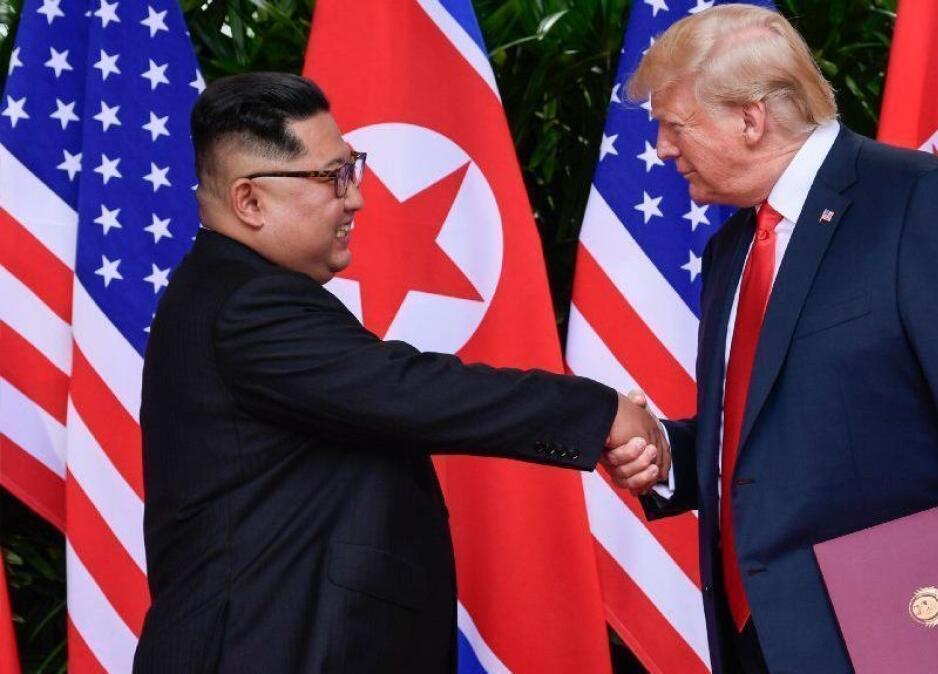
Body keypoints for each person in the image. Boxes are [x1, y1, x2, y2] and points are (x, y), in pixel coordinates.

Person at [600, 5, 938, 674]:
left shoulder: (919, 202)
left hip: (922, 639)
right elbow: (782, 430)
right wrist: (669, 456)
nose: (661, 148)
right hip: (767, 642)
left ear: (751, 117)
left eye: (676, 125)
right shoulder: (733, 247)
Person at [134, 72, 666, 673]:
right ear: (250, 200)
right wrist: (601, 413)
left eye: (351, 167)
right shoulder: (246, 305)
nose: (355, 197)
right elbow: (409, 391)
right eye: (331, 177)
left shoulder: (232, 291)